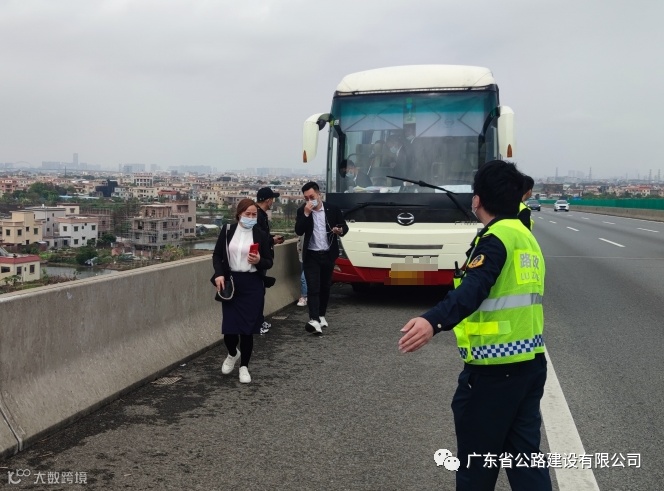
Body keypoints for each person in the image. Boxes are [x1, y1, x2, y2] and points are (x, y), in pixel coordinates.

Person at [398, 160, 550, 491]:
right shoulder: (525, 236)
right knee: (526, 462)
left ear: (477, 200)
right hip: (530, 363)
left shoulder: (496, 238)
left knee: (476, 467)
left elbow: (474, 288)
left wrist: (432, 321)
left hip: (494, 372)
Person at [211, 198, 273, 384]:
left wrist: (259, 261)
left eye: (254, 215)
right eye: (248, 214)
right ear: (239, 214)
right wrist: (219, 274)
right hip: (231, 283)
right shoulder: (228, 230)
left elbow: (269, 261)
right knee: (229, 330)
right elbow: (217, 255)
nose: (251, 218)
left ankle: (244, 366)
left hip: (252, 284)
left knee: (247, 330)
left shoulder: (260, 234)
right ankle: (232, 353)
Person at [294, 181, 348, 335]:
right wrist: (306, 213)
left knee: (325, 287)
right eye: (306, 198)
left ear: (319, 194)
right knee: (313, 287)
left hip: (328, 254)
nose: (309, 200)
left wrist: (339, 230)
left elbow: (345, 227)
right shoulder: (302, 211)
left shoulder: (332, 209)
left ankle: (321, 315)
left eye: (311, 197)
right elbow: (299, 230)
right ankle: (314, 319)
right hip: (311, 255)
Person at [255, 187, 285, 334]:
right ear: (268, 200)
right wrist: (271, 240)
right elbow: (258, 238)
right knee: (257, 293)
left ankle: (259, 320)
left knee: (260, 292)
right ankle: (257, 323)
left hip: (261, 259)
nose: (273, 201)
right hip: (258, 260)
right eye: (272, 199)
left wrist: (271, 239)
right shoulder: (258, 215)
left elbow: (262, 236)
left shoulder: (260, 214)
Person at [296, 233, 307, 307]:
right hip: (302, 255)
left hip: (310, 256)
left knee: (303, 277)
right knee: (305, 277)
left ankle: (304, 296)